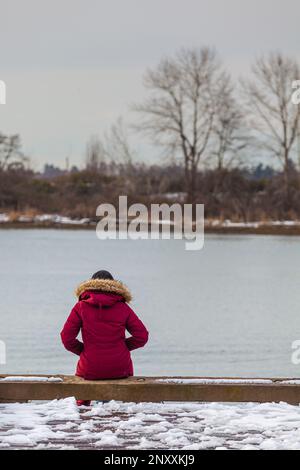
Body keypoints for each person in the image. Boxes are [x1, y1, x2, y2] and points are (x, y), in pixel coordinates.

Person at [61, 270, 149, 406]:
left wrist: (85, 351)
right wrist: (122, 348)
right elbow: (142, 336)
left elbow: (67, 338)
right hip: (119, 367)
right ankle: (106, 409)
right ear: (114, 286)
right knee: (107, 402)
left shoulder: (81, 307)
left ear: (89, 285)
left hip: (90, 366)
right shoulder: (123, 307)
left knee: (84, 390)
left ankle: (84, 409)